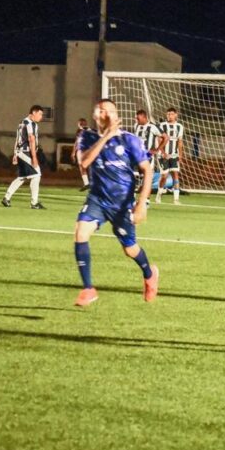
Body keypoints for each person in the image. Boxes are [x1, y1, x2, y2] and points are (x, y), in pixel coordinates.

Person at [73, 98, 159, 307]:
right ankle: (88, 289)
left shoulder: (129, 140)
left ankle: (149, 274)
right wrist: (106, 137)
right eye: (101, 110)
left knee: (129, 249)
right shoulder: (87, 137)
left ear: (116, 115)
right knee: (80, 232)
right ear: (95, 115)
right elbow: (84, 162)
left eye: (110, 111)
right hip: (97, 199)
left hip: (121, 204)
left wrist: (142, 203)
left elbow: (147, 170)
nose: (105, 114)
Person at [1, 105, 45, 209]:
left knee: (22, 177)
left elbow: (17, 138)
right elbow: (31, 139)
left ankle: (6, 198)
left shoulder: (22, 122)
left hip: (20, 152)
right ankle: (34, 203)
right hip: (26, 152)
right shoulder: (31, 123)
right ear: (34, 113)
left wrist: (15, 153)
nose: (41, 117)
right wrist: (34, 157)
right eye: (40, 114)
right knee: (37, 174)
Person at [155, 107, 183, 204]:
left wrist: (180, 155)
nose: (169, 116)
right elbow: (159, 140)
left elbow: (180, 142)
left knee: (175, 174)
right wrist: (163, 153)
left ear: (176, 115)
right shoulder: (162, 125)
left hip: (174, 155)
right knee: (164, 176)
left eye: (171, 114)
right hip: (163, 155)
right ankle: (159, 195)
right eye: (168, 114)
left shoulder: (179, 126)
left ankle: (176, 199)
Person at [133, 109, 162, 203]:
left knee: (147, 178)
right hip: (136, 155)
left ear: (144, 117)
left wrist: (157, 150)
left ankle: (146, 201)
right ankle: (133, 199)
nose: (137, 120)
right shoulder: (136, 126)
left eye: (138, 118)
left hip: (147, 156)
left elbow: (165, 137)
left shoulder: (153, 127)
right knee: (136, 177)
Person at [73, 117, 91, 190]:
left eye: (83, 124)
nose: (81, 125)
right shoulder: (78, 131)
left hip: (87, 150)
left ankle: (93, 182)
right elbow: (76, 142)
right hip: (80, 150)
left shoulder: (89, 130)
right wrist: (73, 152)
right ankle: (86, 183)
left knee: (89, 166)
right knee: (81, 166)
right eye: (80, 124)